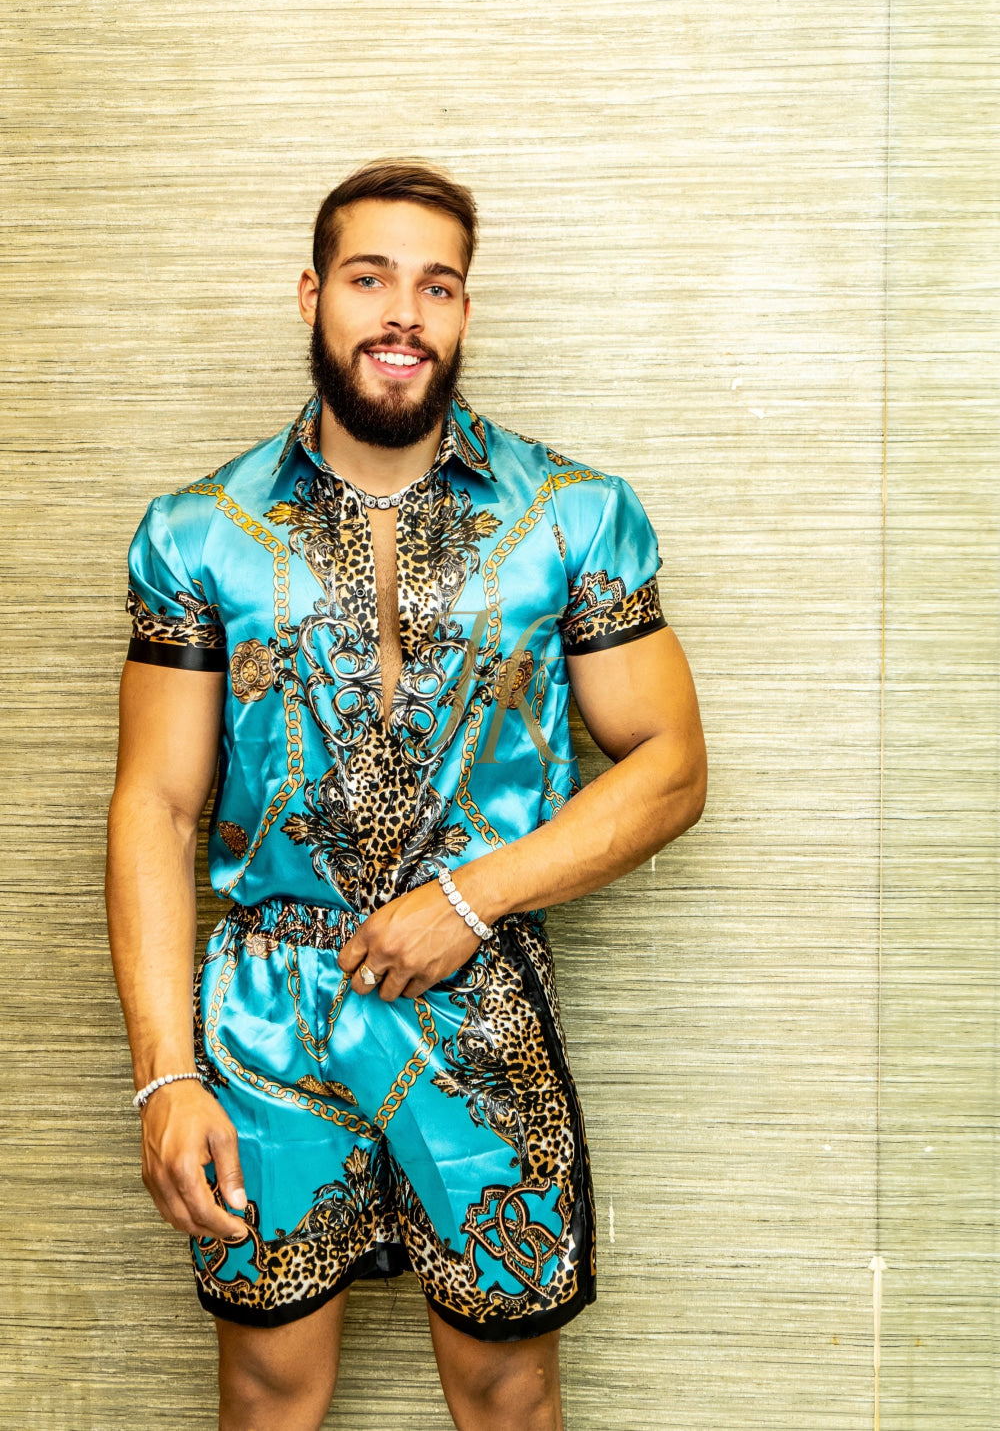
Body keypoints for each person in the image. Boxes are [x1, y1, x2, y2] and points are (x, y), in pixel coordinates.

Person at [106, 158, 707, 1431]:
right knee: (268, 1390)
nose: (403, 313)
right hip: (265, 1017)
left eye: (437, 286)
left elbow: (670, 764)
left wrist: (471, 900)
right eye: (370, 278)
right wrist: (164, 1078)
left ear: (465, 311)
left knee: (506, 1390)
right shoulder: (197, 534)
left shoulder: (575, 517)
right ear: (312, 294)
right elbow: (155, 806)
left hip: (479, 1002)